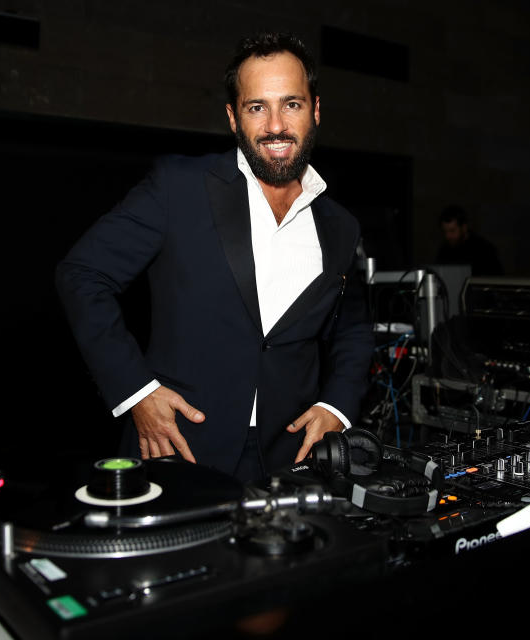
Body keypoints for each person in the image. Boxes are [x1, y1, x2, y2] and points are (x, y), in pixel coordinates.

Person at [55, 32, 374, 484]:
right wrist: (136, 392)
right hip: (178, 450)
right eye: (257, 107)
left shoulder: (341, 225)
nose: (276, 125)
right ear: (233, 117)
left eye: (292, 104)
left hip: (291, 461)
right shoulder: (178, 187)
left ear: (315, 110)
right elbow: (82, 275)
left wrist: (337, 406)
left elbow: (354, 329)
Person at [435, 205, 504, 275]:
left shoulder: (483, 249)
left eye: (452, 231)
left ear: (464, 227)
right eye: (445, 231)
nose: (448, 236)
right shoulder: (445, 251)